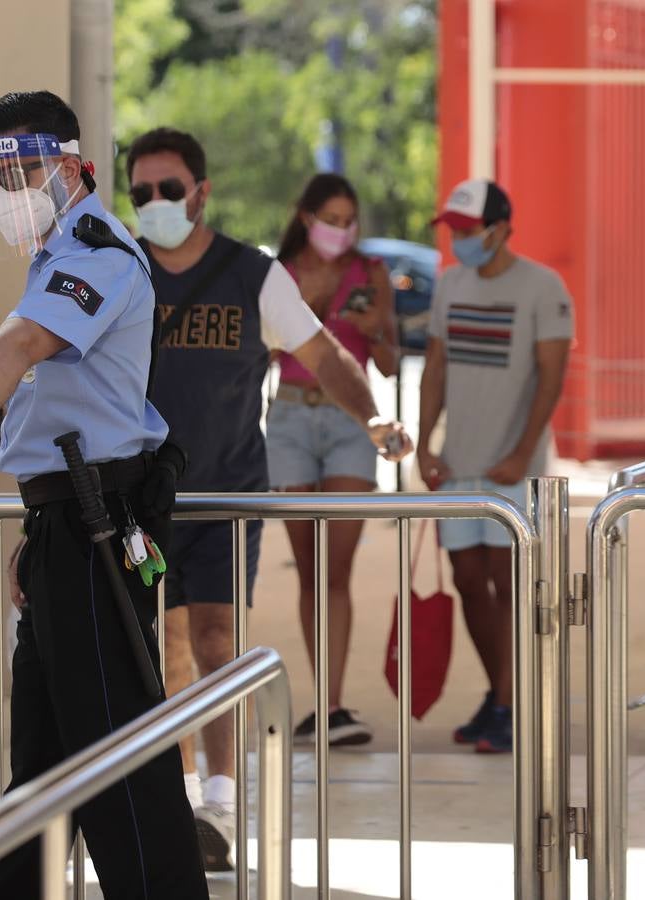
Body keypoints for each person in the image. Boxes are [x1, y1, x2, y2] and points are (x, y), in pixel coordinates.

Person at [0, 91, 207, 899]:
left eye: (22, 170)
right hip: (64, 521)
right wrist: (39, 539)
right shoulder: (56, 254)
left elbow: (22, 341)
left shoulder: (95, 250)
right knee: (44, 752)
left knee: (112, 752)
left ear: (69, 165)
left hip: (96, 521)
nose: (9, 193)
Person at [127, 127, 410, 871]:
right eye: (141, 193)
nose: (155, 203)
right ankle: (169, 797)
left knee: (216, 637)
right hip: (138, 499)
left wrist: (371, 418)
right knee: (160, 650)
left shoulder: (250, 273)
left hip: (224, 488)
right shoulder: (119, 271)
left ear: (200, 190)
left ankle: (217, 804)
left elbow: (324, 354)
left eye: (168, 189)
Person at [417, 178, 572, 754]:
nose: (458, 240)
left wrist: (522, 452)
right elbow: (436, 366)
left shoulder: (543, 287)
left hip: (516, 471)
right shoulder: (450, 284)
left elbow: (551, 377)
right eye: (452, 230)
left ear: (501, 228)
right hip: (459, 465)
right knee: (466, 581)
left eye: (467, 229)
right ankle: (499, 694)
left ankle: (510, 702)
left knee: (511, 586)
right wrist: (427, 445)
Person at [269, 172, 399, 750]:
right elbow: (262, 351)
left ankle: (334, 703)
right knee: (308, 564)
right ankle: (322, 696)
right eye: (332, 220)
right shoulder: (280, 274)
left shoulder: (369, 274)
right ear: (306, 217)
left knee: (336, 568)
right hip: (292, 417)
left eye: (350, 221)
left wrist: (377, 332)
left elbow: (391, 363)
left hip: (351, 424)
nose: (341, 231)